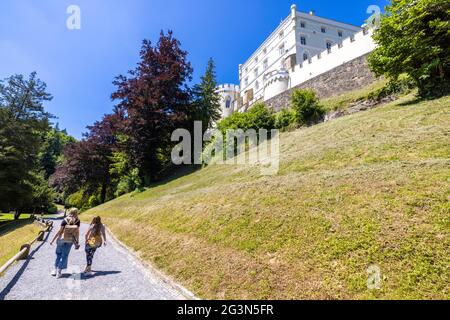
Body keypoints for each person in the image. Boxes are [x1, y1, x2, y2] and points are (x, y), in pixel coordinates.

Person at [50, 208, 80, 278]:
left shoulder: (65, 220)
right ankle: (59, 272)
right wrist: (77, 242)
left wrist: (53, 240)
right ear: (76, 213)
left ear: (70, 212)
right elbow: (77, 232)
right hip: (70, 240)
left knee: (58, 254)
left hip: (61, 239)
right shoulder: (77, 221)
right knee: (65, 255)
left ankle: (55, 270)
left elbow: (60, 231)